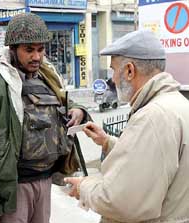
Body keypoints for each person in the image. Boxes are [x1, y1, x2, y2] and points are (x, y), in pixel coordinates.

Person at [0, 13, 90, 223]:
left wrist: (78, 110)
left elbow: (65, 102)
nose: (36, 56)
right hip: (13, 189)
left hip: (45, 182)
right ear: (13, 49)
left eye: (40, 49)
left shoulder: (47, 77)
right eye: (29, 50)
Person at [64, 30, 189, 223]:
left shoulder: (153, 117)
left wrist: (84, 187)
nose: (112, 79)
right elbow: (155, 158)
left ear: (130, 70)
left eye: (114, 70)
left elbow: (119, 201)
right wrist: (107, 142)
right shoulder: (177, 103)